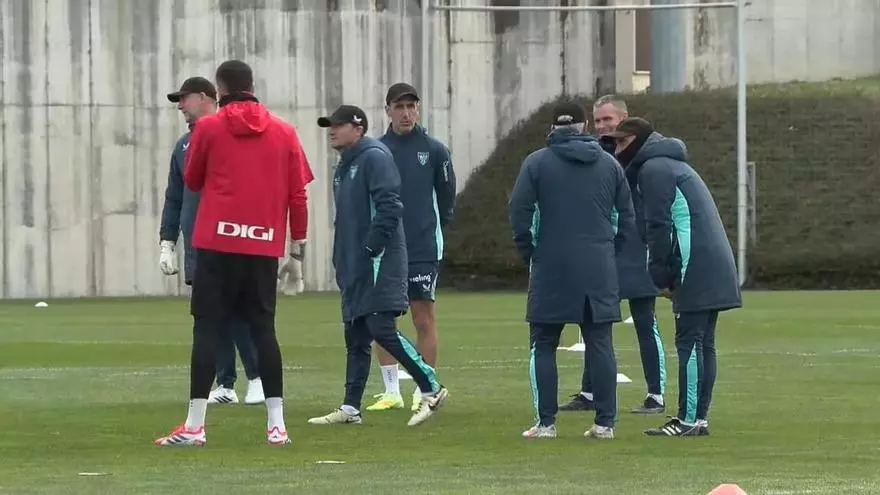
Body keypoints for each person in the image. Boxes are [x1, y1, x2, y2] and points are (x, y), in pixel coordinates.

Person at [154, 60, 314, 446]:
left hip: (216, 243)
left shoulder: (207, 129)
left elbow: (192, 179)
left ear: (220, 91)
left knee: (207, 329)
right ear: (252, 85)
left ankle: (195, 426)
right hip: (263, 245)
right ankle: (277, 426)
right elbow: (298, 193)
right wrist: (298, 249)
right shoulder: (285, 131)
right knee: (263, 330)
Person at [307, 104, 449, 427]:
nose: (331, 130)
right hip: (354, 264)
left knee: (380, 328)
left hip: (378, 262)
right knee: (355, 334)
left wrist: (372, 247)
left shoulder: (374, 157)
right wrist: (341, 259)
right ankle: (350, 408)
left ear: (357, 128)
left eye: (338, 125)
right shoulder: (343, 168)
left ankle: (431, 385)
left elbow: (389, 206)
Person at [508, 102, 635, 440]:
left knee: (543, 343)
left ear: (552, 129)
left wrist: (531, 253)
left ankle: (546, 423)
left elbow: (519, 213)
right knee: (600, 343)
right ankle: (605, 423)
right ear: (584, 127)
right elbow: (625, 219)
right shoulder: (610, 165)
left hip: (551, 264)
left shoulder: (536, 163)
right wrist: (609, 252)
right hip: (598, 266)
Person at [610, 117, 742, 437]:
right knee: (702, 343)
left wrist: (662, 276)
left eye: (621, 143)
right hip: (711, 261)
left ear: (638, 142)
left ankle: (689, 419)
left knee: (691, 342)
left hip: (694, 263)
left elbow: (659, 226)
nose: (616, 150)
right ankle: (697, 418)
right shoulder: (669, 164)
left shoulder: (654, 170)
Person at [158, 76, 266, 408]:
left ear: (206, 97)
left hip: (228, 239)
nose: (180, 106)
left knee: (235, 312)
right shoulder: (183, 146)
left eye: (184, 99)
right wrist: (167, 241)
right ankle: (226, 382)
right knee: (208, 315)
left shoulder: (226, 135)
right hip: (197, 244)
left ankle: (258, 378)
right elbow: (175, 197)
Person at [560, 94, 667, 415]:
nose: (603, 126)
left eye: (609, 119)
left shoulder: (647, 156)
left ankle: (656, 394)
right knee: (596, 322)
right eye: (599, 121)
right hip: (606, 250)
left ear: (624, 119)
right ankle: (590, 392)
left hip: (638, 247)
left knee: (645, 321)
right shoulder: (593, 155)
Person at [366, 83, 456, 412]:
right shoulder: (375, 150)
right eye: (400, 107)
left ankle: (424, 389)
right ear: (388, 110)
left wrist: (430, 232)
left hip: (421, 248)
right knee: (381, 320)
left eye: (411, 106)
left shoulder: (434, 150)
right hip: (385, 250)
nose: (406, 113)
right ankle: (391, 391)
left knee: (423, 318)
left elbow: (447, 200)